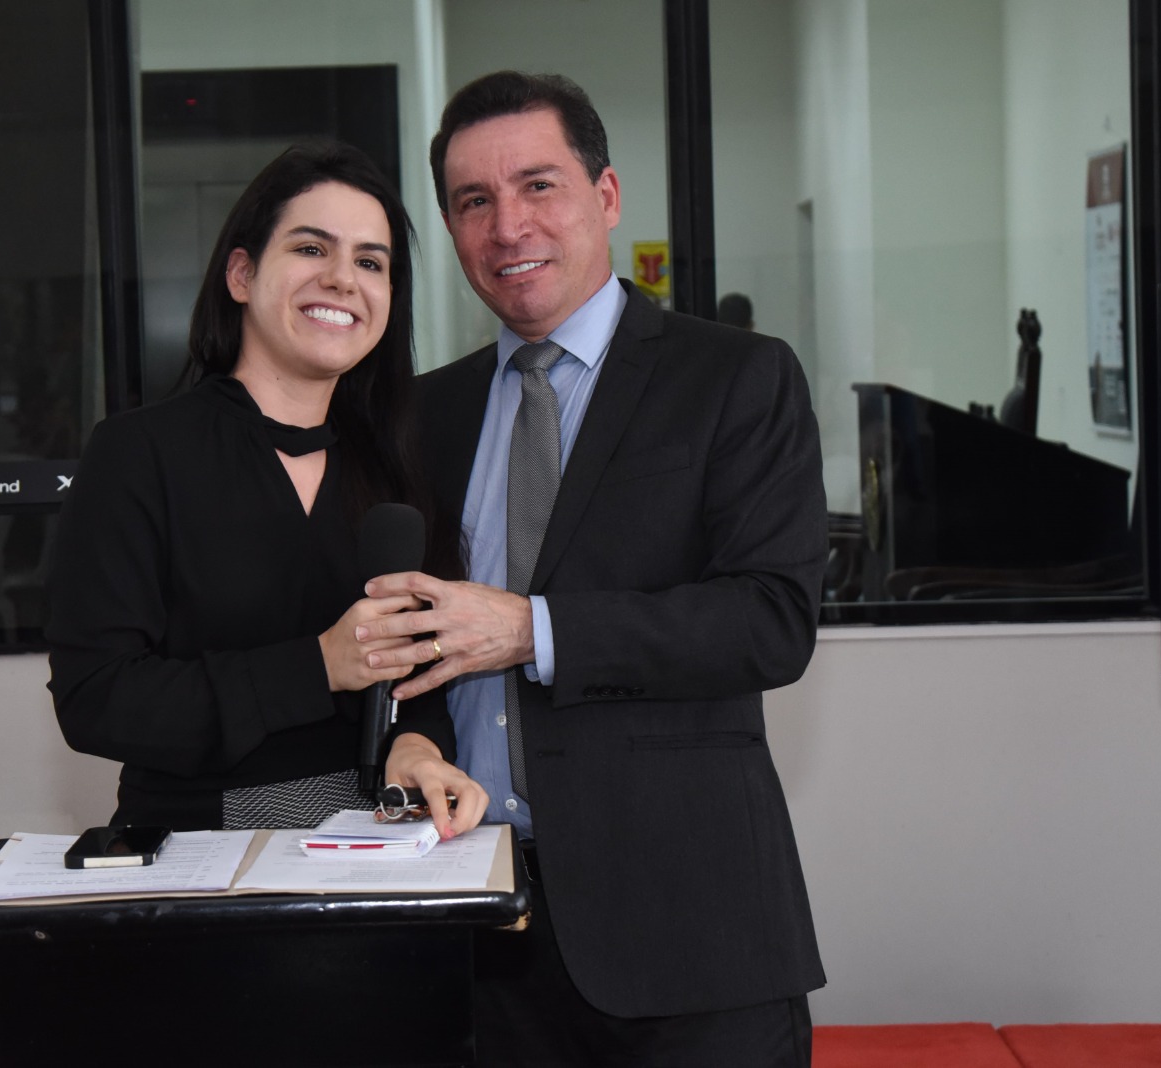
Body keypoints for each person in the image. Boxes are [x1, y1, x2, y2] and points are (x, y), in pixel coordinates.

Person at [358, 72, 827, 1065]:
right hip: (478, 932)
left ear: (605, 196)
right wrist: (411, 742)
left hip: (689, 935)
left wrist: (531, 629)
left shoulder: (736, 377)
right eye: (472, 201)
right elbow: (413, 641)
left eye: (538, 185)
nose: (507, 226)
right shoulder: (425, 414)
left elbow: (769, 620)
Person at [45, 141, 487, 838]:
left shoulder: (398, 467)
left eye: (370, 262)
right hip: (199, 853)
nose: (342, 279)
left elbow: (418, 678)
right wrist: (319, 666)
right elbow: (96, 699)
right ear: (242, 274)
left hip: (377, 849)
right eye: (311, 249)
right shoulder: (138, 453)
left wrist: (416, 748)